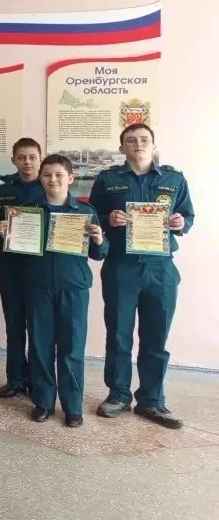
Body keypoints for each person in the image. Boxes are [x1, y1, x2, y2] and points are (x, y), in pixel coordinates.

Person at [89, 123, 194, 428]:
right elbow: (90, 217)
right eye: (131, 140)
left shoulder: (174, 179)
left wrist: (180, 223)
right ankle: (118, 395)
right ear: (122, 147)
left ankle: (151, 400)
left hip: (161, 268)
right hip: (121, 266)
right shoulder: (108, 179)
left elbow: (188, 215)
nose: (138, 144)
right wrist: (108, 219)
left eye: (144, 139)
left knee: (156, 338)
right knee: (119, 335)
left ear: (153, 144)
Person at [0, 154, 107, 427]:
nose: (53, 179)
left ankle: (73, 407)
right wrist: (7, 233)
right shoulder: (28, 212)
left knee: (72, 348)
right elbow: (18, 252)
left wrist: (99, 239)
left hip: (74, 288)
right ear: (41, 178)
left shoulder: (85, 212)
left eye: (59, 174)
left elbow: (99, 254)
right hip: (38, 288)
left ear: (70, 178)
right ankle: (43, 401)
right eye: (47, 175)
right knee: (40, 346)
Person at [0, 137, 46, 399]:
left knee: (38, 325)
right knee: (13, 323)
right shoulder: (2, 189)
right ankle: (15, 379)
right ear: (13, 160)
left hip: (40, 265)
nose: (27, 162)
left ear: (40, 158)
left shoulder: (49, 184)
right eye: (21, 157)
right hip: (10, 264)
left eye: (32, 157)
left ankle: (37, 380)